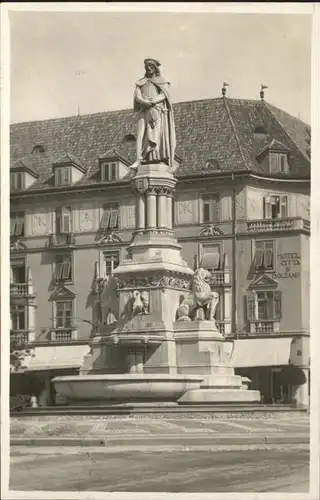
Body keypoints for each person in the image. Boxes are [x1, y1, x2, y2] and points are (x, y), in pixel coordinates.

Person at [130, 58, 176, 169]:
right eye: (147, 66)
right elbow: (137, 96)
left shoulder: (162, 81)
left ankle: (156, 157)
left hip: (157, 111)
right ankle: (139, 159)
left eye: (151, 66)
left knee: (156, 135)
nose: (149, 68)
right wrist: (145, 102)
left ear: (155, 68)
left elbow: (164, 94)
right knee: (141, 134)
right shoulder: (141, 82)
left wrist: (153, 101)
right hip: (144, 110)